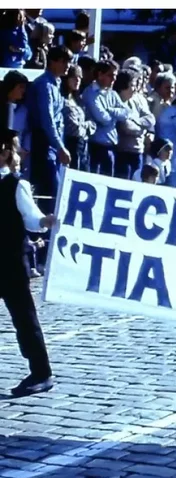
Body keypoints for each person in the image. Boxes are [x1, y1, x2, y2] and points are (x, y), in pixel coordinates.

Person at [0, 129, 56, 397]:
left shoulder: (15, 184)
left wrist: (45, 221)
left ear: (5, 154)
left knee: (24, 319)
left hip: (10, 261)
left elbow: (32, 218)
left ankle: (41, 372)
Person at [27, 46, 73, 212]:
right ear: (53, 62)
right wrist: (60, 147)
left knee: (55, 190)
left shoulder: (56, 83)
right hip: (43, 142)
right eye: (63, 61)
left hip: (54, 142)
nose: (67, 65)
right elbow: (47, 120)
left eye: (69, 61)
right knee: (49, 190)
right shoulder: (44, 85)